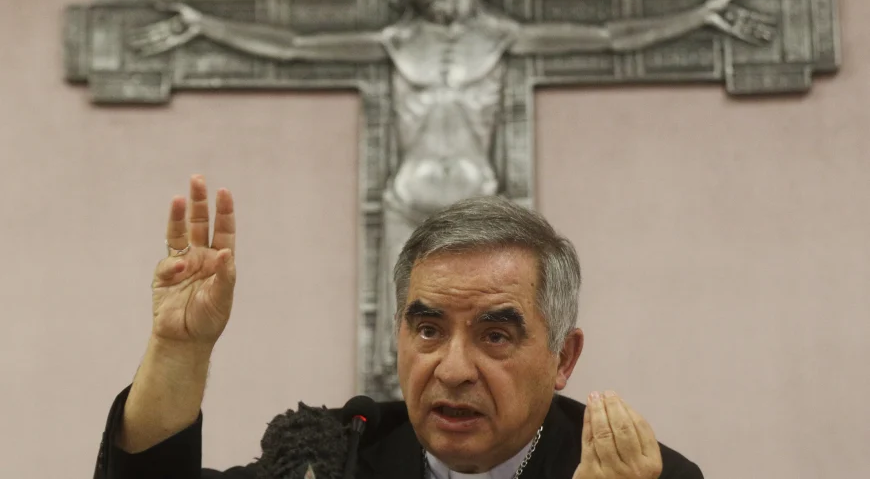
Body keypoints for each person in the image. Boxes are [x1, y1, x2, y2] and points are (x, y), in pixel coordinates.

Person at [129, 0, 774, 396]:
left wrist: (699, 18)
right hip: (407, 199)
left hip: (478, 205)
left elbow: (607, 39)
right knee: (411, 338)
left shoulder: (500, 35)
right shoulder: (396, 39)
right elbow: (295, 46)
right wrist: (204, 28)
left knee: (489, 328)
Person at [93, 175, 703, 478]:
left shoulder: (638, 476)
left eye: (494, 336)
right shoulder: (340, 458)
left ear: (563, 358)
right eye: (429, 330)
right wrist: (179, 350)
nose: (453, 370)